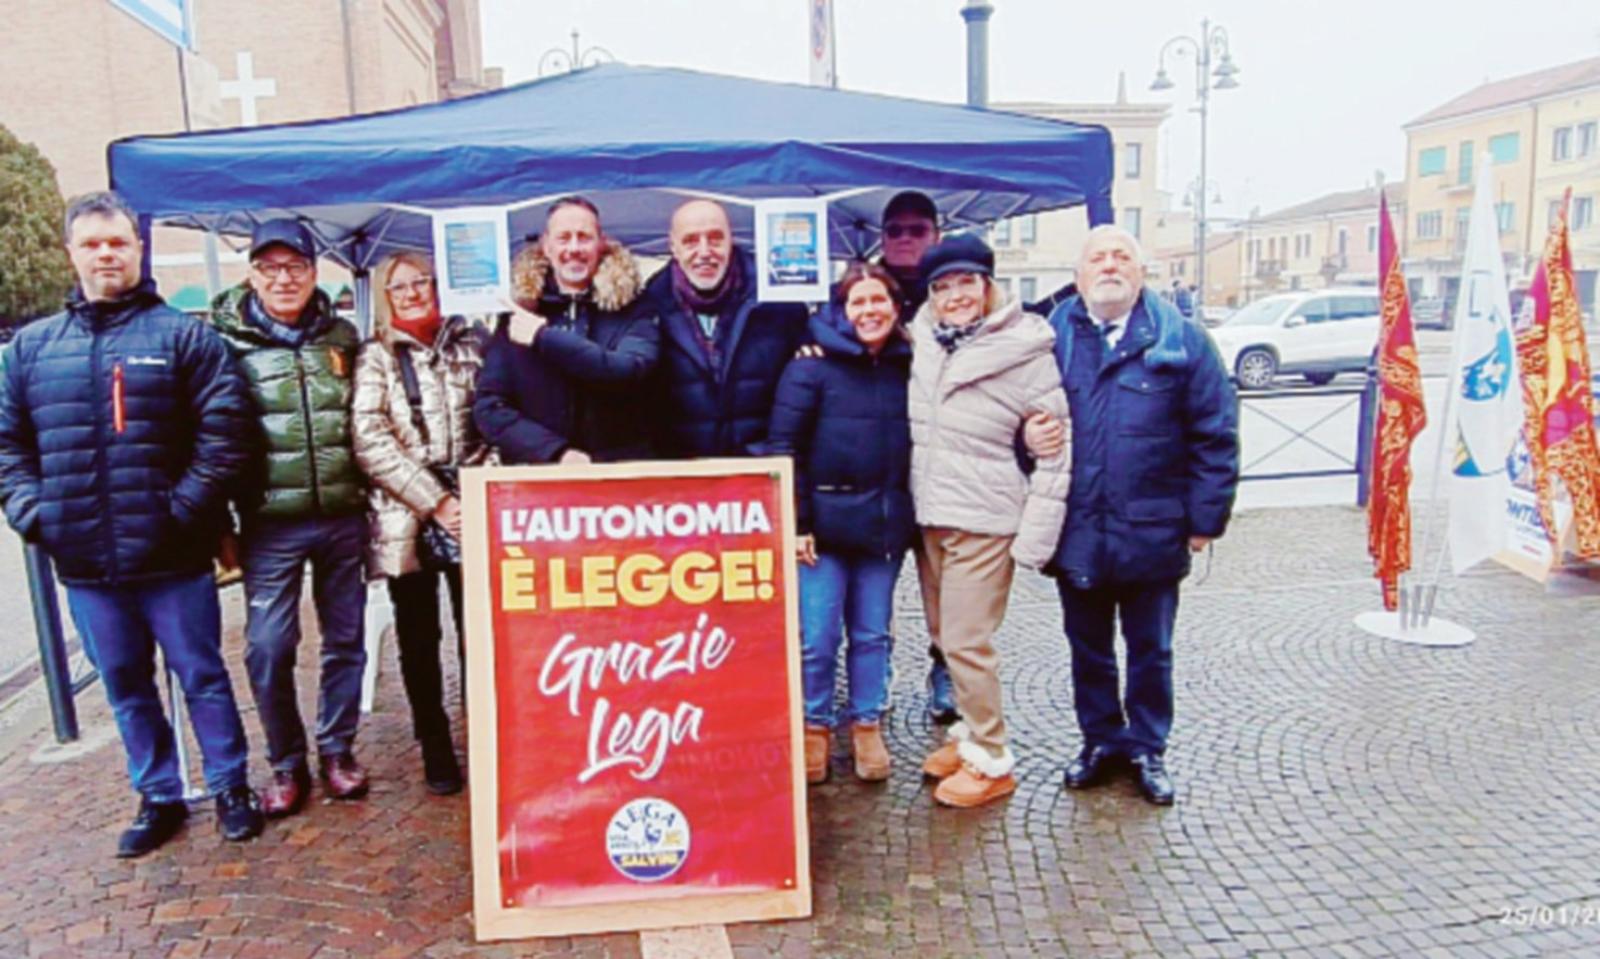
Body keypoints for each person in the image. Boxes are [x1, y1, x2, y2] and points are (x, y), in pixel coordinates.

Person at [0, 191, 264, 856]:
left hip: (173, 557)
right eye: (92, 244)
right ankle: (159, 794)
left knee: (201, 674)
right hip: (87, 562)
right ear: (72, 253)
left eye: (117, 242)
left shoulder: (183, 336)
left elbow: (224, 433)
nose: (106, 254)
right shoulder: (31, 349)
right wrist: (38, 515)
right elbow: (7, 446)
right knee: (124, 683)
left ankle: (231, 784)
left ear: (137, 249)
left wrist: (182, 511)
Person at [1026, 225, 1238, 806]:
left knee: (1151, 648)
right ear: (1079, 275)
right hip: (1079, 529)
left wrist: (1204, 521)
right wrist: (1029, 435)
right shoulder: (1051, 338)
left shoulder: (1183, 341)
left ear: (1142, 273)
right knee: (1087, 646)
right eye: (1098, 257)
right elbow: (1018, 412)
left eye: (1122, 256)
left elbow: (1215, 437)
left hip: (1154, 528)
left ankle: (1147, 746)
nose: (1110, 266)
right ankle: (1099, 740)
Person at [208, 219, 369, 818]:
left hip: (341, 515)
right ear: (251, 274)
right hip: (269, 523)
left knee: (345, 640)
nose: (284, 279)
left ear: (314, 270)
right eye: (270, 268)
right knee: (270, 646)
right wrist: (221, 521)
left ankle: (337, 749)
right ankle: (285, 761)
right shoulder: (225, 343)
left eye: (295, 266)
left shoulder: (344, 337)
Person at [908, 234, 1071, 808]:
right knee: (942, 639)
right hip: (931, 516)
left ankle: (994, 758)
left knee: (966, 641)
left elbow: (1056, 447)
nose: (955, 295)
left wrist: (1036, 537)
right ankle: (970, 738)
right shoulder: (923, 339)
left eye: (965, 283)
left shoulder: (1024, 349)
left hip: (985, 518)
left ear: (986, 285)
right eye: (943, 286)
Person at [768, 262, 914, 785]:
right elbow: (784, 446)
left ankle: (867, 724)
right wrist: (798, 522)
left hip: (882, 525)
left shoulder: (910, 364)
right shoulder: (810, 366)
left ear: (895, 309)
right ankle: (815, 726)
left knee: (873, 634)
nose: (870, 311)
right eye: (858, 302)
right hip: (822, 529)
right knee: (818, 636)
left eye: (879, 301)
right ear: (842, 309)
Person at [352, 252, 488, 795]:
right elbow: (370, 439)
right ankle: (434, 741)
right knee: (418, 635)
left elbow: (496, 415)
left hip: (472, 505)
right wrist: (436, 501)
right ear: (386, 298)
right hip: (404, 513)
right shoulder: (375, 357)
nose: (411, 294)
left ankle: (484, 732)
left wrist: (477, 488)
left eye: (420, 283)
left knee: (478, 632)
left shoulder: (473, 344)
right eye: (399, 287)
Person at [473, 196, 659, 464]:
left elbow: (628, 370)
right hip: (541, 480)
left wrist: (543, 338)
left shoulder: (635, 307)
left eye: (584, 237)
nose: (574, 248)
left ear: (601, 244)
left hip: (621, 477)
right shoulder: (518, 313)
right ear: (546, 246)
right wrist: (555, 452)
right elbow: (490, 408)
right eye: (564, 238)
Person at [874, 191, 959, 724]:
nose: (906, 239)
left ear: (935, 235)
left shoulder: (950, 293)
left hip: (938, 468)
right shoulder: (862, 287)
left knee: (943, 586)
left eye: (917, 230)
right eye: (896, 230)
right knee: (872, 593)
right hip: (878, 464)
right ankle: (873, 675)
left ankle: (946, 667)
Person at [646, 199, 809, 459]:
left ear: (731, 240)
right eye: (690, 241)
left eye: (715, 238)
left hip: (763, 471)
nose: (704, 251)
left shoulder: (778, 300)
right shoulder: (648, 307)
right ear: (673, 247)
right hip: (683, 479)